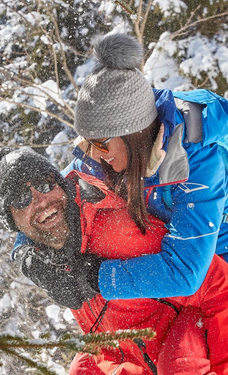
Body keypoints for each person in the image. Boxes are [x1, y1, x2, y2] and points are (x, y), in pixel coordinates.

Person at [0, 147, 228, 375]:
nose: (40, 200)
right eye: (21, 198)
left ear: (60, 185)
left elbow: (220, 285)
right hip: (138, 355)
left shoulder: (118, 232)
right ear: (11, 221)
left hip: (191, 341)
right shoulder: (49, 260)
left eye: (45, 184)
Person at [66, 32, 228, 302]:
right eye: (88, 141)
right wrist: (28, 253)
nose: (92, 154)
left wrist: (96, 278)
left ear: (133, 134)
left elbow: (184, 273)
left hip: (217, 259)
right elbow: (53, 191)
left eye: (100, 143)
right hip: (183, 260)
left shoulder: (197, 160)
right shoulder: (108, 152)